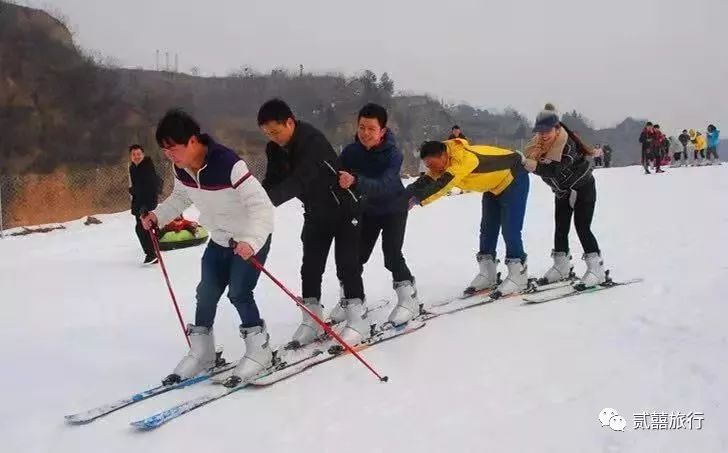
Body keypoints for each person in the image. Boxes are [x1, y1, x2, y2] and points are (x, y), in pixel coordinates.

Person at [140, 109, 275, 386]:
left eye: (172, 147)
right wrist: (158, 216)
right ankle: (203, 352)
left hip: (249, 239)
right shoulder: (181, 168)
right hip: (219, 240)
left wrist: (251, 241)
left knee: (239, 292)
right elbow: (180, 197)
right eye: (164, 149)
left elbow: (261, 207)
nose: (169, 155)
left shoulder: (229, 165)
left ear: (192, 141)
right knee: (206, 292)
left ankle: (260, 351)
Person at [257, 99, 368, 346]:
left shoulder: (312, 141)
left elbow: (300, 180)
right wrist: (255, 200)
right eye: (267, 134)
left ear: (289, 122)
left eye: (276, 131)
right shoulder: (274, 148)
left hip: (344, 208)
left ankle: (357, 318)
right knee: (310, 267)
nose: (273, 138)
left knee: (347, 264)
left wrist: (266, 202)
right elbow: (273, 180)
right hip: (315, 212)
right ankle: (312, 319)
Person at [405, 138, 529, 297]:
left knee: (510, 228)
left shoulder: (464, 159)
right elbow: (425, 181)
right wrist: (402, 196)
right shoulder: (443, 163)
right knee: (487, 229)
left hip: (514, 177)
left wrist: (418, 199)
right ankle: (488, 274)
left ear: (443, 156)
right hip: (493, 186)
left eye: (431, 164)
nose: (430, 169)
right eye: (427, 166)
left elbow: (444, 184)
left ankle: (518, 274)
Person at [337, 103, 419, 326]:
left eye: (371, 129)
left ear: (382, 130)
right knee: (355, 257)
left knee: (392, 255)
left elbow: (385, 183)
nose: (365, 133)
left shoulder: (394, 154)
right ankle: (352, 298)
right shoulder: (351, 152)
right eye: (362, 127)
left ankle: (408, 298)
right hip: (367, 210)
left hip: (394, 209)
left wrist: (355, 182)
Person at [523, 104, 606, 289]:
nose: (543, 134)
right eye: (540, 131)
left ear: (557, 128)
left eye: (547, 130)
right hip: (562, 191)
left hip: (582, 189)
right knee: (560, 227)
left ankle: (596, 269)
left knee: (582, 227)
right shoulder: (537, 144)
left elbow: (555, 171)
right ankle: (562, 266)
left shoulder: (566, 145)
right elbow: (532, 159)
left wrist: (533, 166)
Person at [128, 144, 160, 264]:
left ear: (143, 155)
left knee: (141, 228)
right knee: (142, 226)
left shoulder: (146, 167)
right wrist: (134, 190)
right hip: (138, 201)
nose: (136, 156)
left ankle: (152, 254)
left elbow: (151, 186)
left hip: (147, 201)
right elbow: (138, 186)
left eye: (138, 154)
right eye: (134, 154)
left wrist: (135, 191)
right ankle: (153, 250)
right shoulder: (133, 168)